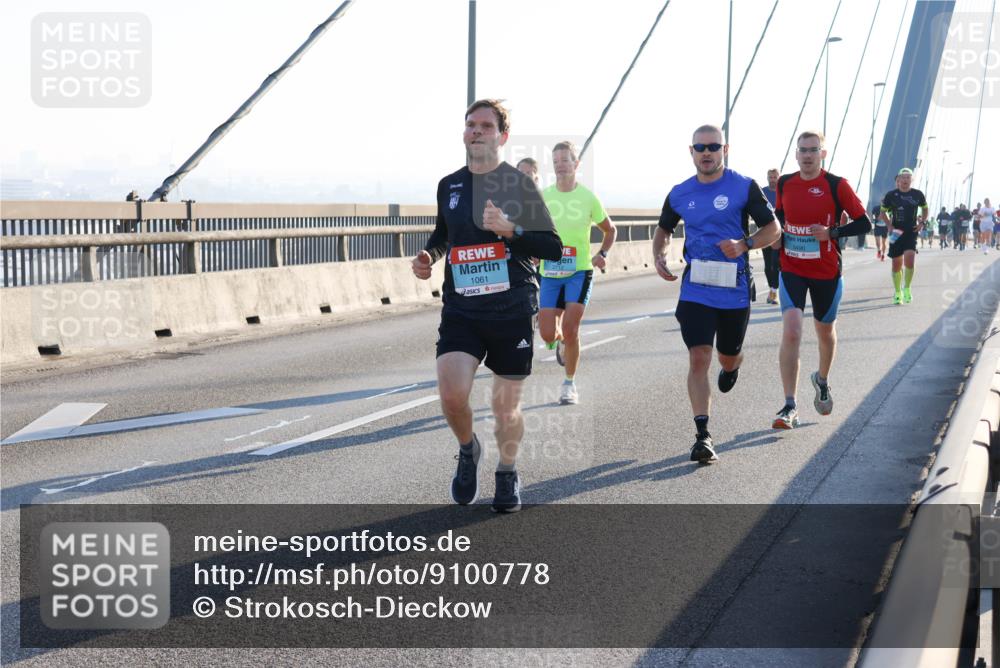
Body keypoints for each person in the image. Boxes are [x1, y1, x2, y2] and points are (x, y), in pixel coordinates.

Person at [411, 99, 562, 513]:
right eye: (470, 125)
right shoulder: (450, 185)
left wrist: (510, 230)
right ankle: (467, 449)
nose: (476, 131)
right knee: (451, 393)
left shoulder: (518, 185)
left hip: (512, 307)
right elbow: (444, 234)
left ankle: (508, 472)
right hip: (462, 308)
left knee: (504, 406)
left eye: (485, 125)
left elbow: (551, 246)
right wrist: (429, 256)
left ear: (502, 136)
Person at [652, 124, 780, 464]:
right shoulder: (679, 193)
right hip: (696, 288)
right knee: (699, 356)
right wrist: (659, 254)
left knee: (726, 356)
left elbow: (774, 228)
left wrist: (745, 244)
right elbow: (663, 228)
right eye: (700, 147)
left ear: (726, 149)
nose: (706, 152)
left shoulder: (743, 187)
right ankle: (703, 435)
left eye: (713, 146)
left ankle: (733, 364)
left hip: (733, 290)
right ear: (690, 151)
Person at [771, 131, 871, 429]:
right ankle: (789, 405)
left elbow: (864, 222)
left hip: (826, 271)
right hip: (792, 268)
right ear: (796, 154)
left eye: (813, 150)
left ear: (823, 154)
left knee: (825, 332)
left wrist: (833, 234)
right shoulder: (786, 183)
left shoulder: (836, 185)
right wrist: (775, 237)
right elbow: (777, 216)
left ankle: (822, 379)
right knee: (792, 332)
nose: (807, 155)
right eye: (802, 150)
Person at [537, 141, 616, 405]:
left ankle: (569, 384)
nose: (560, 165)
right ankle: (558, 343)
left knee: (571, 329)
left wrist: (601, 255)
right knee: (548, 333)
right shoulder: (544, 196)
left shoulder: (587, 197)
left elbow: (610, 230)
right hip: (549, 270)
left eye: (565, 160)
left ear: (576, 164)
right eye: (556, 160)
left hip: (579, 271)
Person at [881, 168, 928, 304]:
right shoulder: (891, 195)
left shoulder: (917, 194)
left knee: (910, 260)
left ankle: (907, 288)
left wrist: (922, 222)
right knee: (896, 264)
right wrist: (889, 225)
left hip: (911, 231)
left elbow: (925, 208)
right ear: (899, 180)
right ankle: (897, 292)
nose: (905, 180)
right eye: (903, 177)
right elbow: (883, 212)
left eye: (908, 177)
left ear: (911, 180)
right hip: (896, 233)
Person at [760, 168, 781, 304]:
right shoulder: (762, 192)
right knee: (768, 266)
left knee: (776, 263)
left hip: (779, 234)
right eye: (770, 177)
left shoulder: (783, 192)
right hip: (764, 233)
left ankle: (775, 291)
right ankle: (771, 289)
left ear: (778, 177)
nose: (772, 180)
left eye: (774, 177)